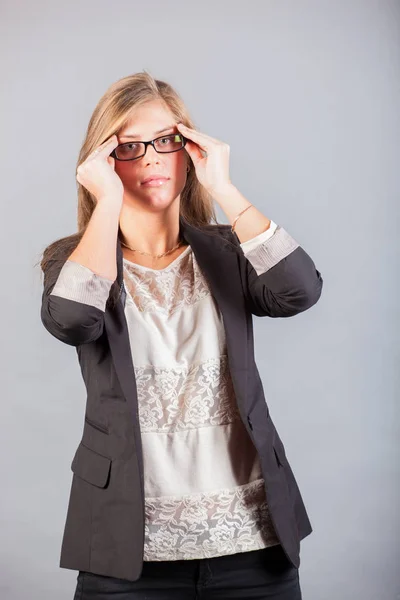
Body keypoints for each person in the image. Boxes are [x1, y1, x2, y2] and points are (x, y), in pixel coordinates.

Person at [39, 70, 323, 599]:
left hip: (254, 547)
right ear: (101, 163)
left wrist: (224, 189)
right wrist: (105, 206)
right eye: (128, 147)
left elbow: (299, 291)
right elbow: (74, 319)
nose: (149, 157)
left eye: (166, 141)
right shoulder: (73, 262)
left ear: (189, 149)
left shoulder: (228, 253)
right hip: (128, 557)